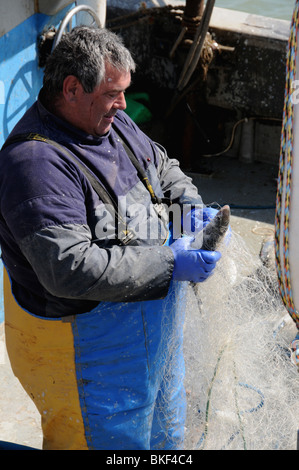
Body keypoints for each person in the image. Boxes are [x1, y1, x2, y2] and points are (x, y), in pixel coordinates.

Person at [0, 26, 221, 450]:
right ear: (71, 89)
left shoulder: (110, 122)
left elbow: (161, 164)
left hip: (152, 333)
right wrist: (171, 263)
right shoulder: (34, 164)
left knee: (164, 440)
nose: (122, 105)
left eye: (123, 92)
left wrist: (188, 205)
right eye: (112, 94)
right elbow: (70, 268)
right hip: (87, 352)